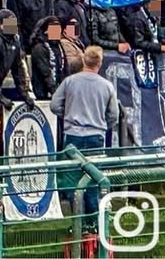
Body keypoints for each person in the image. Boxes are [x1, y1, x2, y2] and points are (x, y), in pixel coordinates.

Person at [50, 46, 119, 227]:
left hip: (73, 136)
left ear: (83, 60)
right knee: (93, 181)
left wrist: (67, 115)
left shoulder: (69, 82)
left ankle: (78, 225)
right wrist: (101, 125)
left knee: (72, 181)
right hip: (96, 136)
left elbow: (54, 105)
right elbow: (114, 115)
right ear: (100, 63)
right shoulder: (107, 86)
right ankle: (94, 225)